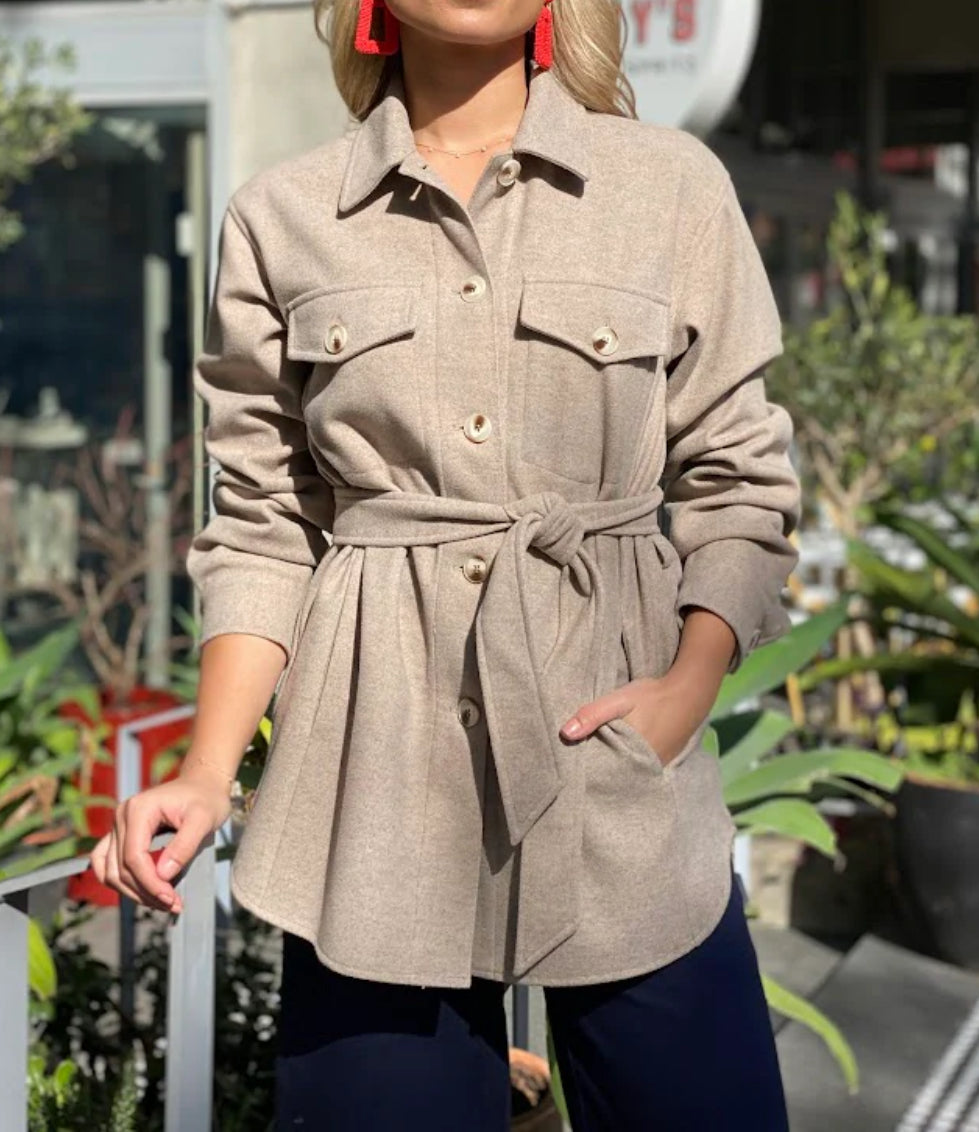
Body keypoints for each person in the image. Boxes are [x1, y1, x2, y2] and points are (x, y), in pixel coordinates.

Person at [91, 1, 802, 1127]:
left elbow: (740, 478)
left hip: (619, 772)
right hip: (375, 782)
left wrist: (685, 688)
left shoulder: (668, 187)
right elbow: (266, 521)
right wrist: (207, 768)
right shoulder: (283, 215)